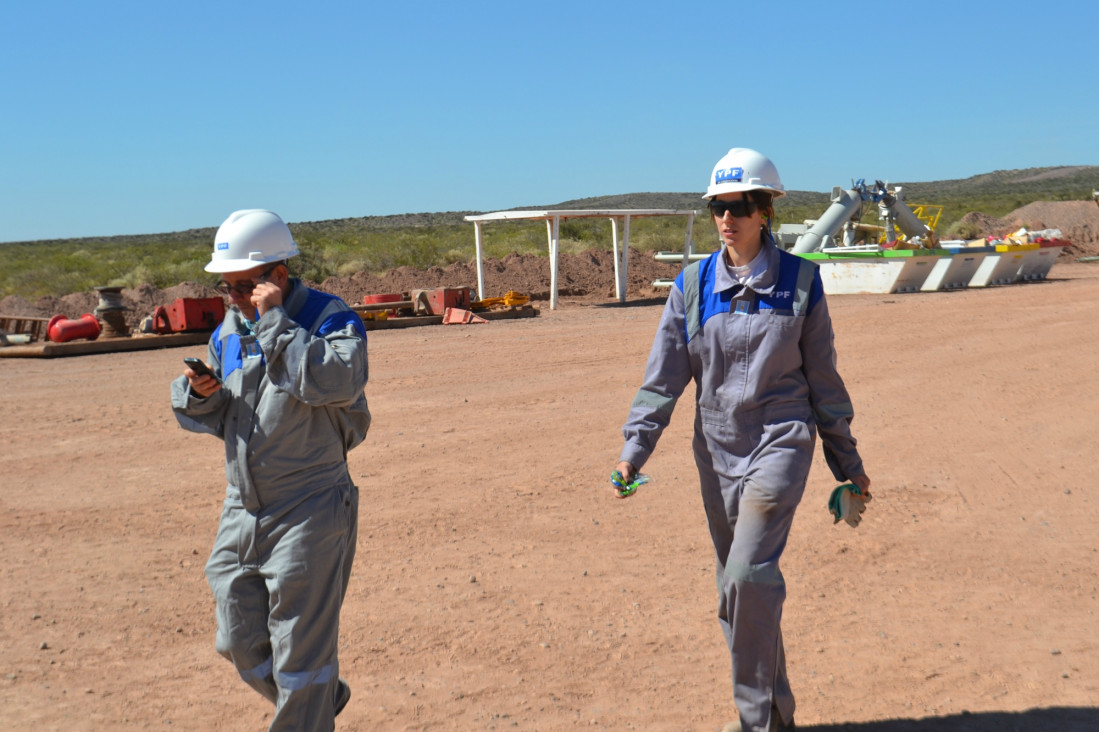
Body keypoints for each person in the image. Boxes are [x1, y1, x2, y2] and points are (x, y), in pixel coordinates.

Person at [613, 149, 871, 732]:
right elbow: (663, 379)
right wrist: (634, 451)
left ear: (766, 211)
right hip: (717, 449)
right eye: (717, 208)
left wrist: (846, 463)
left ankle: (755, 722)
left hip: (781, 441)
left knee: (749, 574)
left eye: (740, 206)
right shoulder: (691, 286)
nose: (727, 217)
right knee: (736, 589)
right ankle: (776, 714)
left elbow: (824, 381)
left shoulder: (802, 282)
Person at [171, 209, 371, 731]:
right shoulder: (229, 331)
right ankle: (322, 699)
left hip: (310, 504)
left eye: (243, 287)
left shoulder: (330, 319)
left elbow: (338, 384)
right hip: (244, 505)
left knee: (301, 661)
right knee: (237, 638)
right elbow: (229, 414)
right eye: (227, 288)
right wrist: (199, 395)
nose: (233, 299)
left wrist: (277, 323)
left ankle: (310, 704)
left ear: (277, 276)